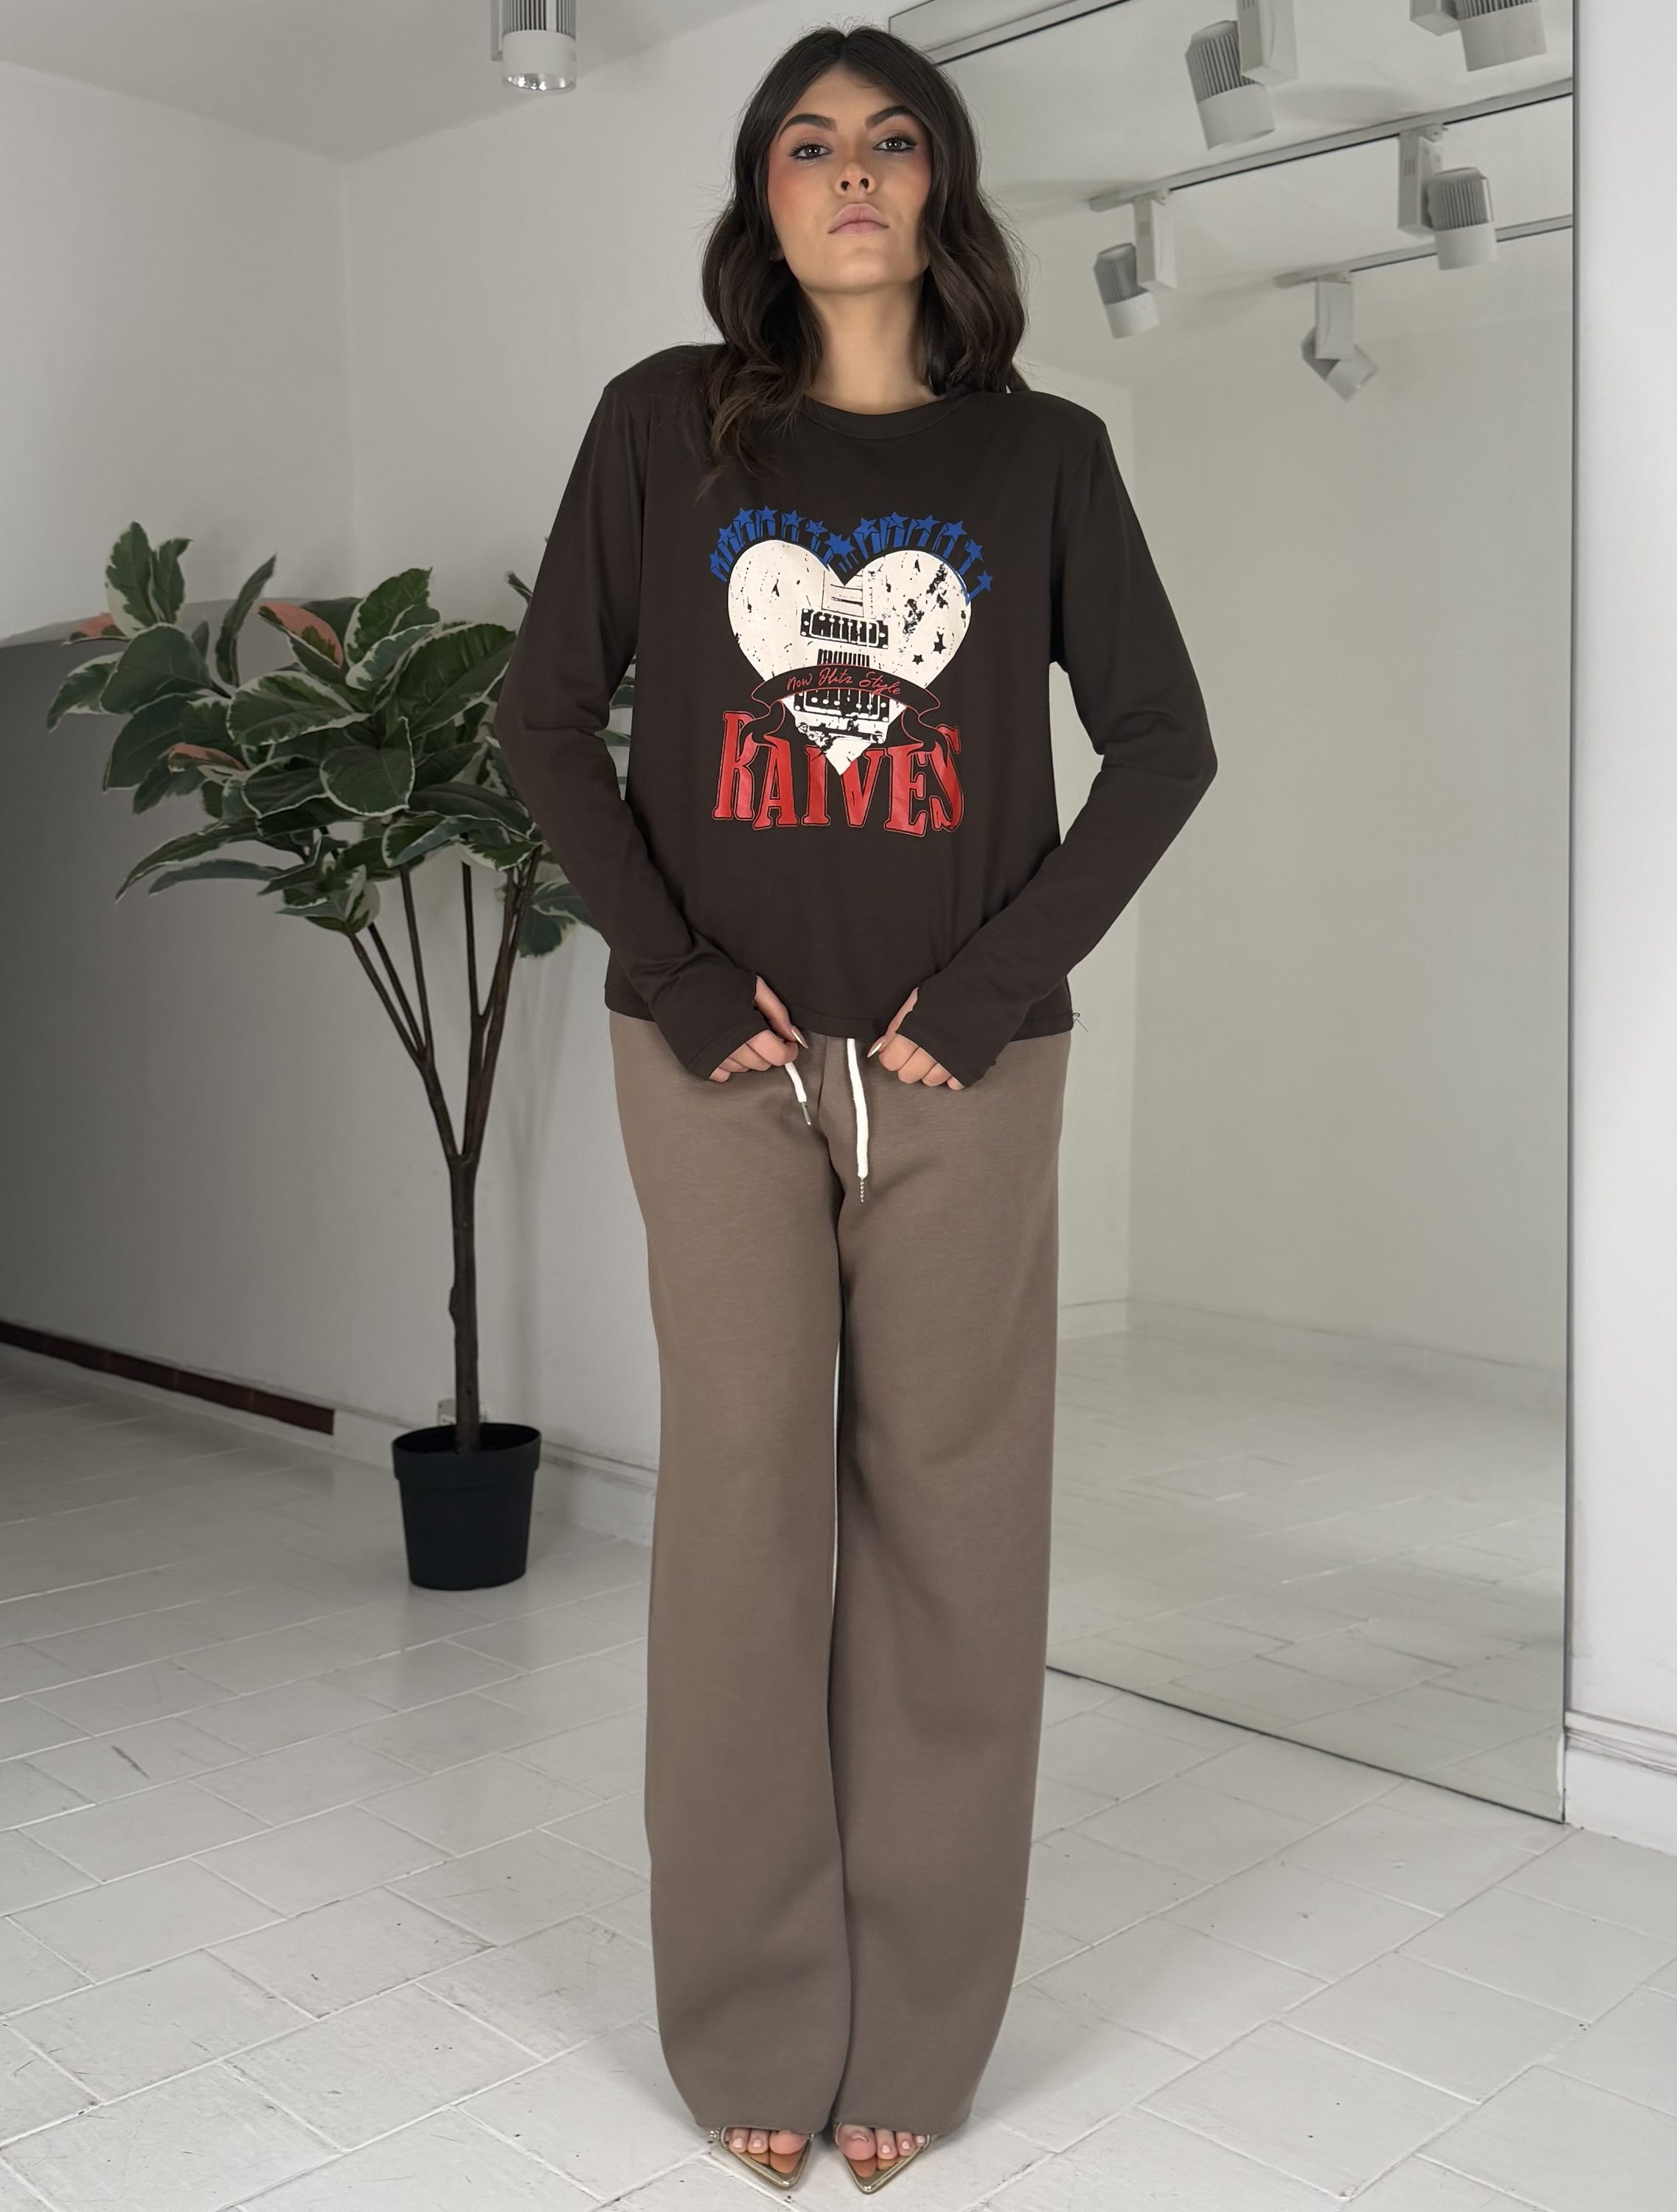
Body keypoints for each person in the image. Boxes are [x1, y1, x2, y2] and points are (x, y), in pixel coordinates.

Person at [493, 21, 1217, 2193]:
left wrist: (980, 999)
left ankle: (914, 2022)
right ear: (762, 191)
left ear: (942, 185)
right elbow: (547, 719)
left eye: (892, 139)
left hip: (960, 1073)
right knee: (742, 1527)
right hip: (713, 1066)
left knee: (953, 1532)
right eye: (806, 143)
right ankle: (748, 2015)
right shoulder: (665, 425)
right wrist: (675, 976)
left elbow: (1163, 743)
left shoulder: (1045, 459)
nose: (851, 172)